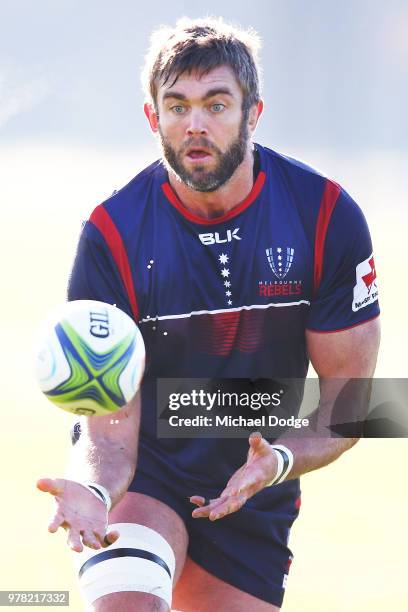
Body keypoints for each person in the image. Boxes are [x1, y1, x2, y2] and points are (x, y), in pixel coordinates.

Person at [37, 17, 380, 612]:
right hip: (150, 470)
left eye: (217, 105)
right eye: (177, 106)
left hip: (255, 484)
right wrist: (93, 487)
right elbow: (108, 428)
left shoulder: (324, 216)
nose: (195, 124)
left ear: (254, 113)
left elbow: (353, 404)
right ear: (153, 118)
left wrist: (276, 461)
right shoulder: (113, 234)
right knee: (129, 603)